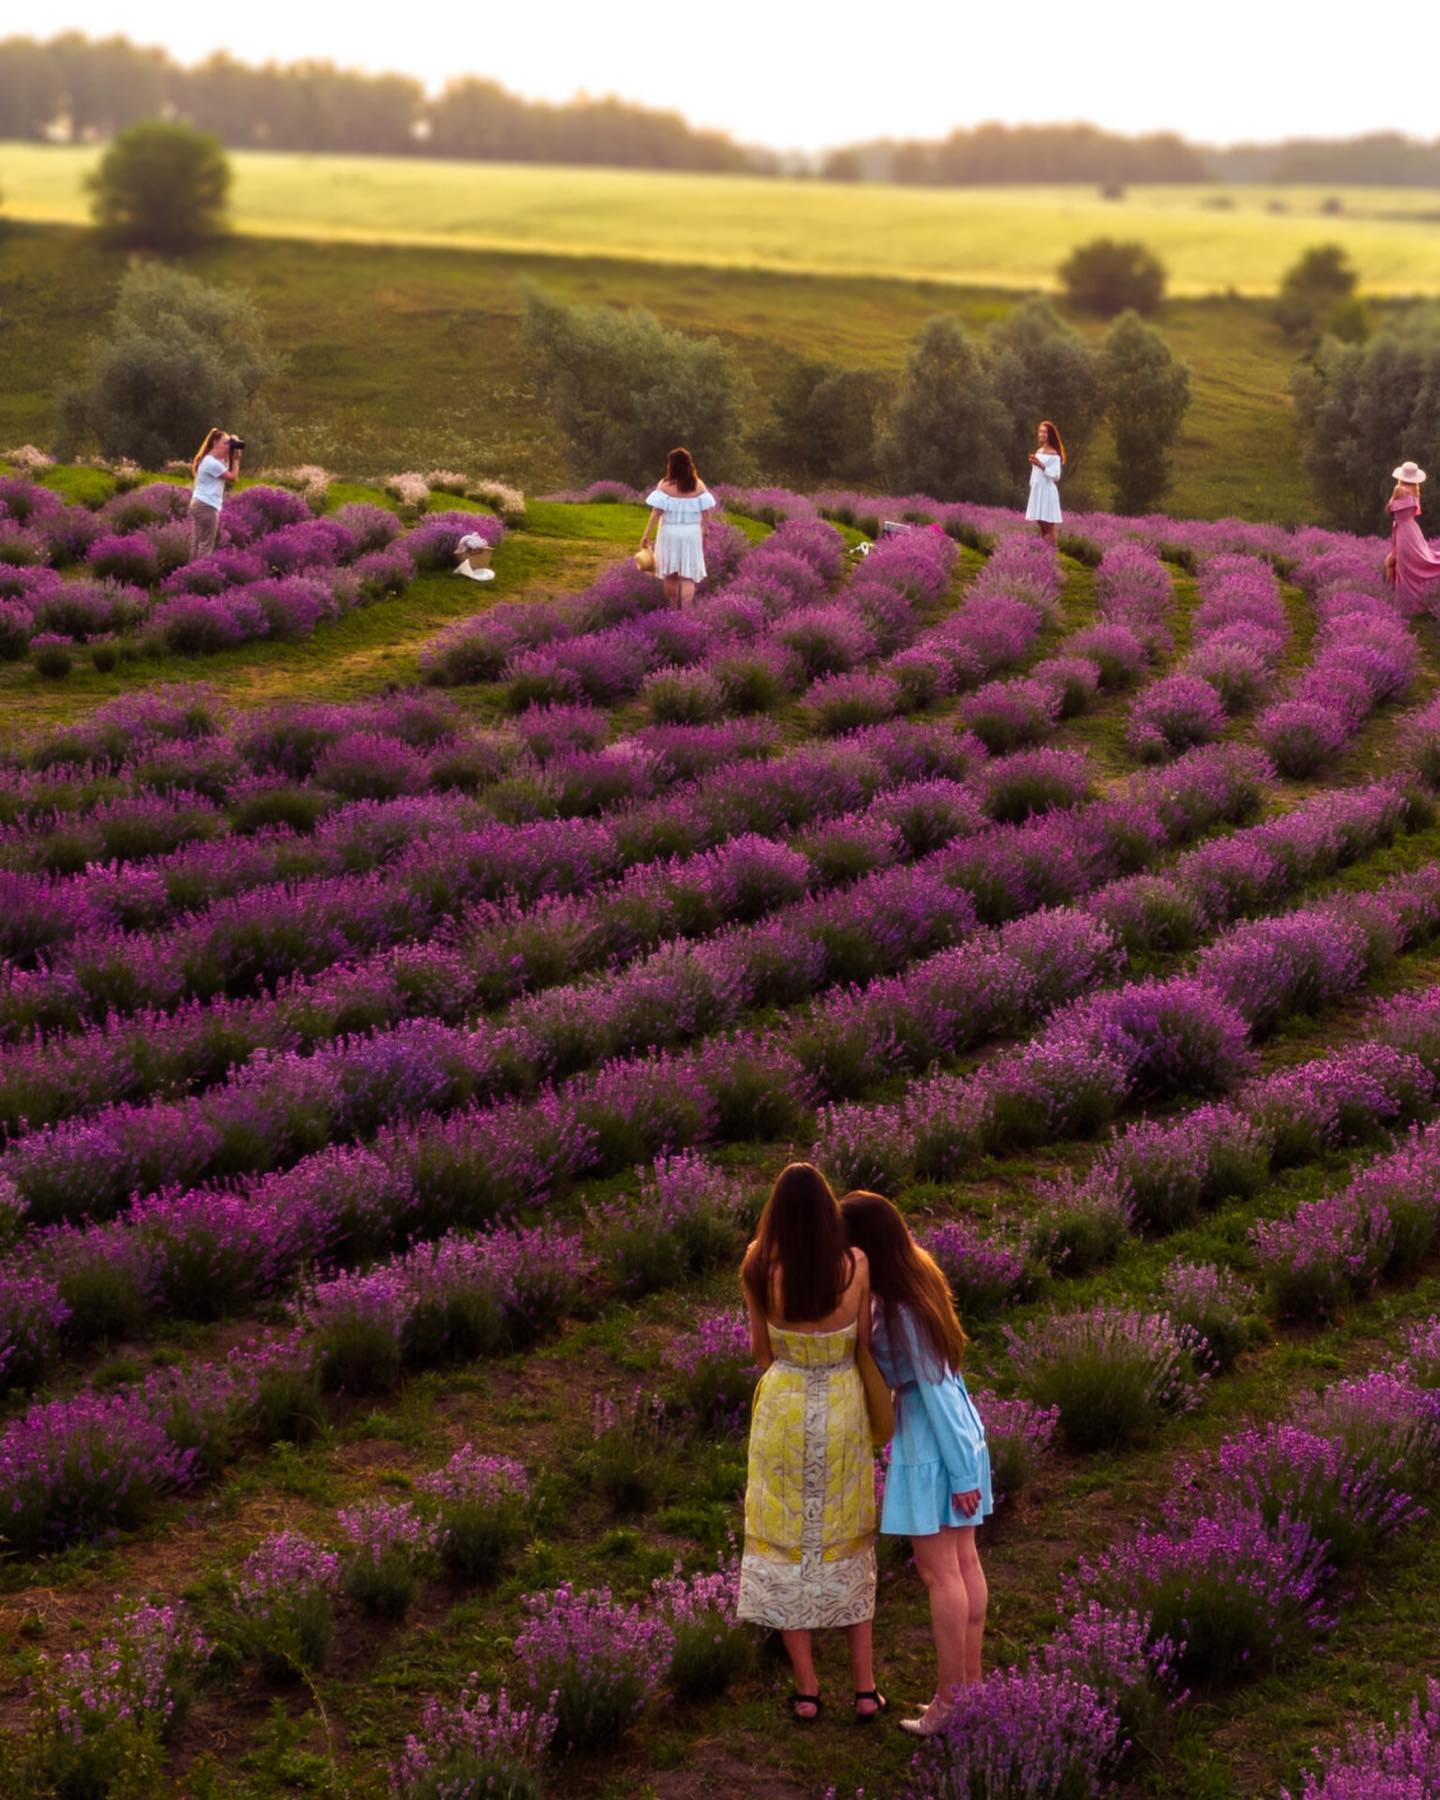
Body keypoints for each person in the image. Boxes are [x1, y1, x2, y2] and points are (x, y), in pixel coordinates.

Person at [840, 1191, 991, 1739]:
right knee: (964, 1564)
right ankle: (968, 1690)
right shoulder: (918, 1276)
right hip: (956, 1433)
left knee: (940, 1573)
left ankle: (949, 1701)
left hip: (933, 1443)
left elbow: (931, 1387)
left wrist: (962, 1473)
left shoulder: (898, 1306)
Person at [737, 1162, 883, 1725]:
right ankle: (865, 1690)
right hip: (842, 1408)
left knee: (783, 1536)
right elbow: (864, 1343)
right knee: (848, 1536)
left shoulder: (757, 1264)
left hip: (784, 1409)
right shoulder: (855, 1265)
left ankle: (807, 1690)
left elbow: (761, 1352)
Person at [639, 447, 716, 607]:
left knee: (670, 575)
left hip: (669, 532)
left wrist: (646, 534)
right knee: (687, 577)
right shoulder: (699, 485)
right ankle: (686, 613)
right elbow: (706, 512)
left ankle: (674, 610)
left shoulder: (665, 485)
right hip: (691, 533)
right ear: (689, 464)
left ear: (671, 465)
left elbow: (656, 512)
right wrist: (705, 534)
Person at [1384, 460, 1440, 612]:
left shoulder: (1399, 489)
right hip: (1413, 530)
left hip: (1404, 534)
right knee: (1397, 563)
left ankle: (1395, 600)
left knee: (1401, 567)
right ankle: (1391, 596)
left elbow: (1389, 510)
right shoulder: (1415, 491)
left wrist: (1392, 502)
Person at [189, 428, 240, 560]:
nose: (228, 445)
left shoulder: (210, 460)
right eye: (225, 442)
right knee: (206, 545)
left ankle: (189, 573)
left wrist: (232, 447)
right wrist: (236, 459)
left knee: (197, 543)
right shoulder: (211, 463)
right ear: (215, 442)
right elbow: (233, 476)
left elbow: (225, 465)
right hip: (207, 506)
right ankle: (200, 574)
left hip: (198, 504)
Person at [1025, 420, 1065, 541]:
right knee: (1041, 524)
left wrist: (1041, 465)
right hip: (1037, 491)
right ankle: (1044, 553)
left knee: (1049, 526)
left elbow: (1056, 476)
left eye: (1045, 432)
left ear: (1050, 435)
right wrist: (1032, 485)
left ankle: (1051, 554)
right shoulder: (1038, 451)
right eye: (1040, 431)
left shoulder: (1054, 455)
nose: (1042, 434)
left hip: (1047, 491)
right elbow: (1035, 474)